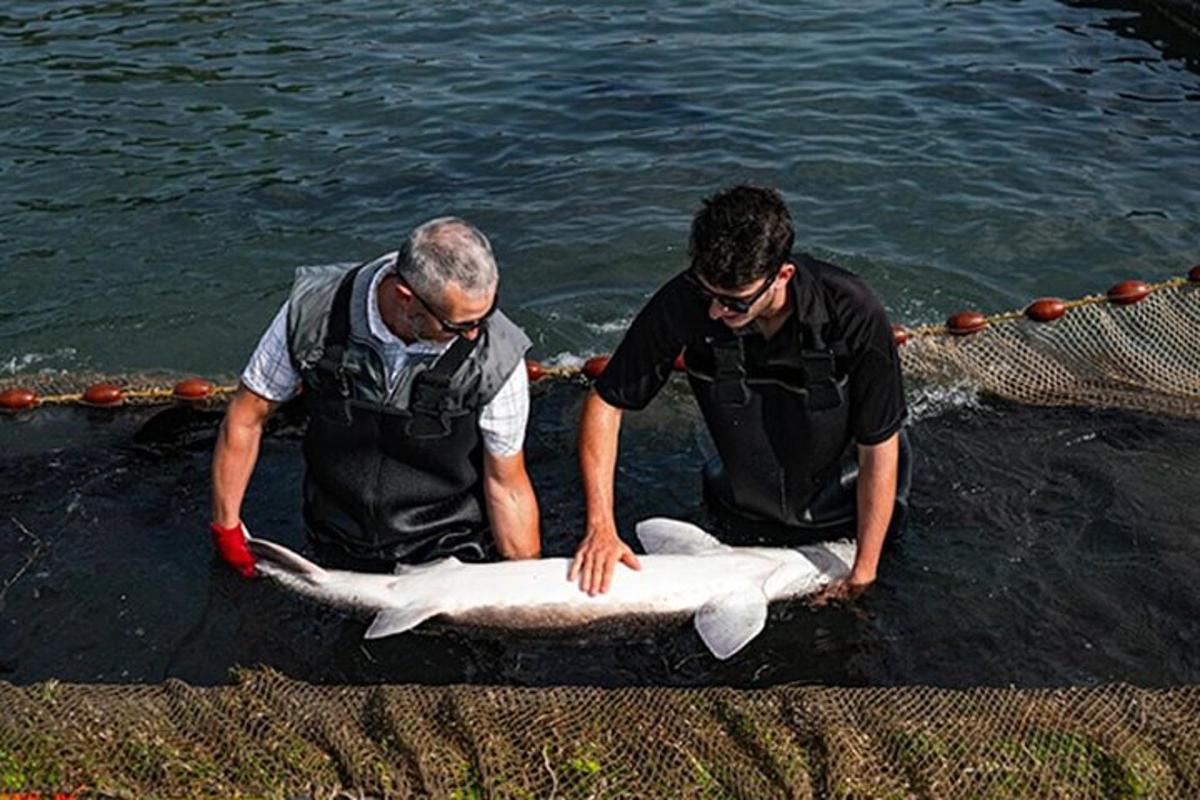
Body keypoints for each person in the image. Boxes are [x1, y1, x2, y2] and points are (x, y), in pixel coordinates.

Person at [569, 186, 910, 603]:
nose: (714, 312)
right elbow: (606, 402)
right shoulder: (684, 300)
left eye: (733, 302)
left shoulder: (852, 310)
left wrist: (863, 573)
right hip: (743, 504)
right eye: (707, 293)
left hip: (845, 514)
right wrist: (601, 525)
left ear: (782, 276)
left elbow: (880, 444)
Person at [210, 217, 541, 576]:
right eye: (458, 326)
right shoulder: (314, 311)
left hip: (448, 548)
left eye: (485, 314)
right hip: (332, 534)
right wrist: (226, 527)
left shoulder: (499, 355)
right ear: (406, 298)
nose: (476, 335)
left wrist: (526, 577)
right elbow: (247, 417)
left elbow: (506, 482)